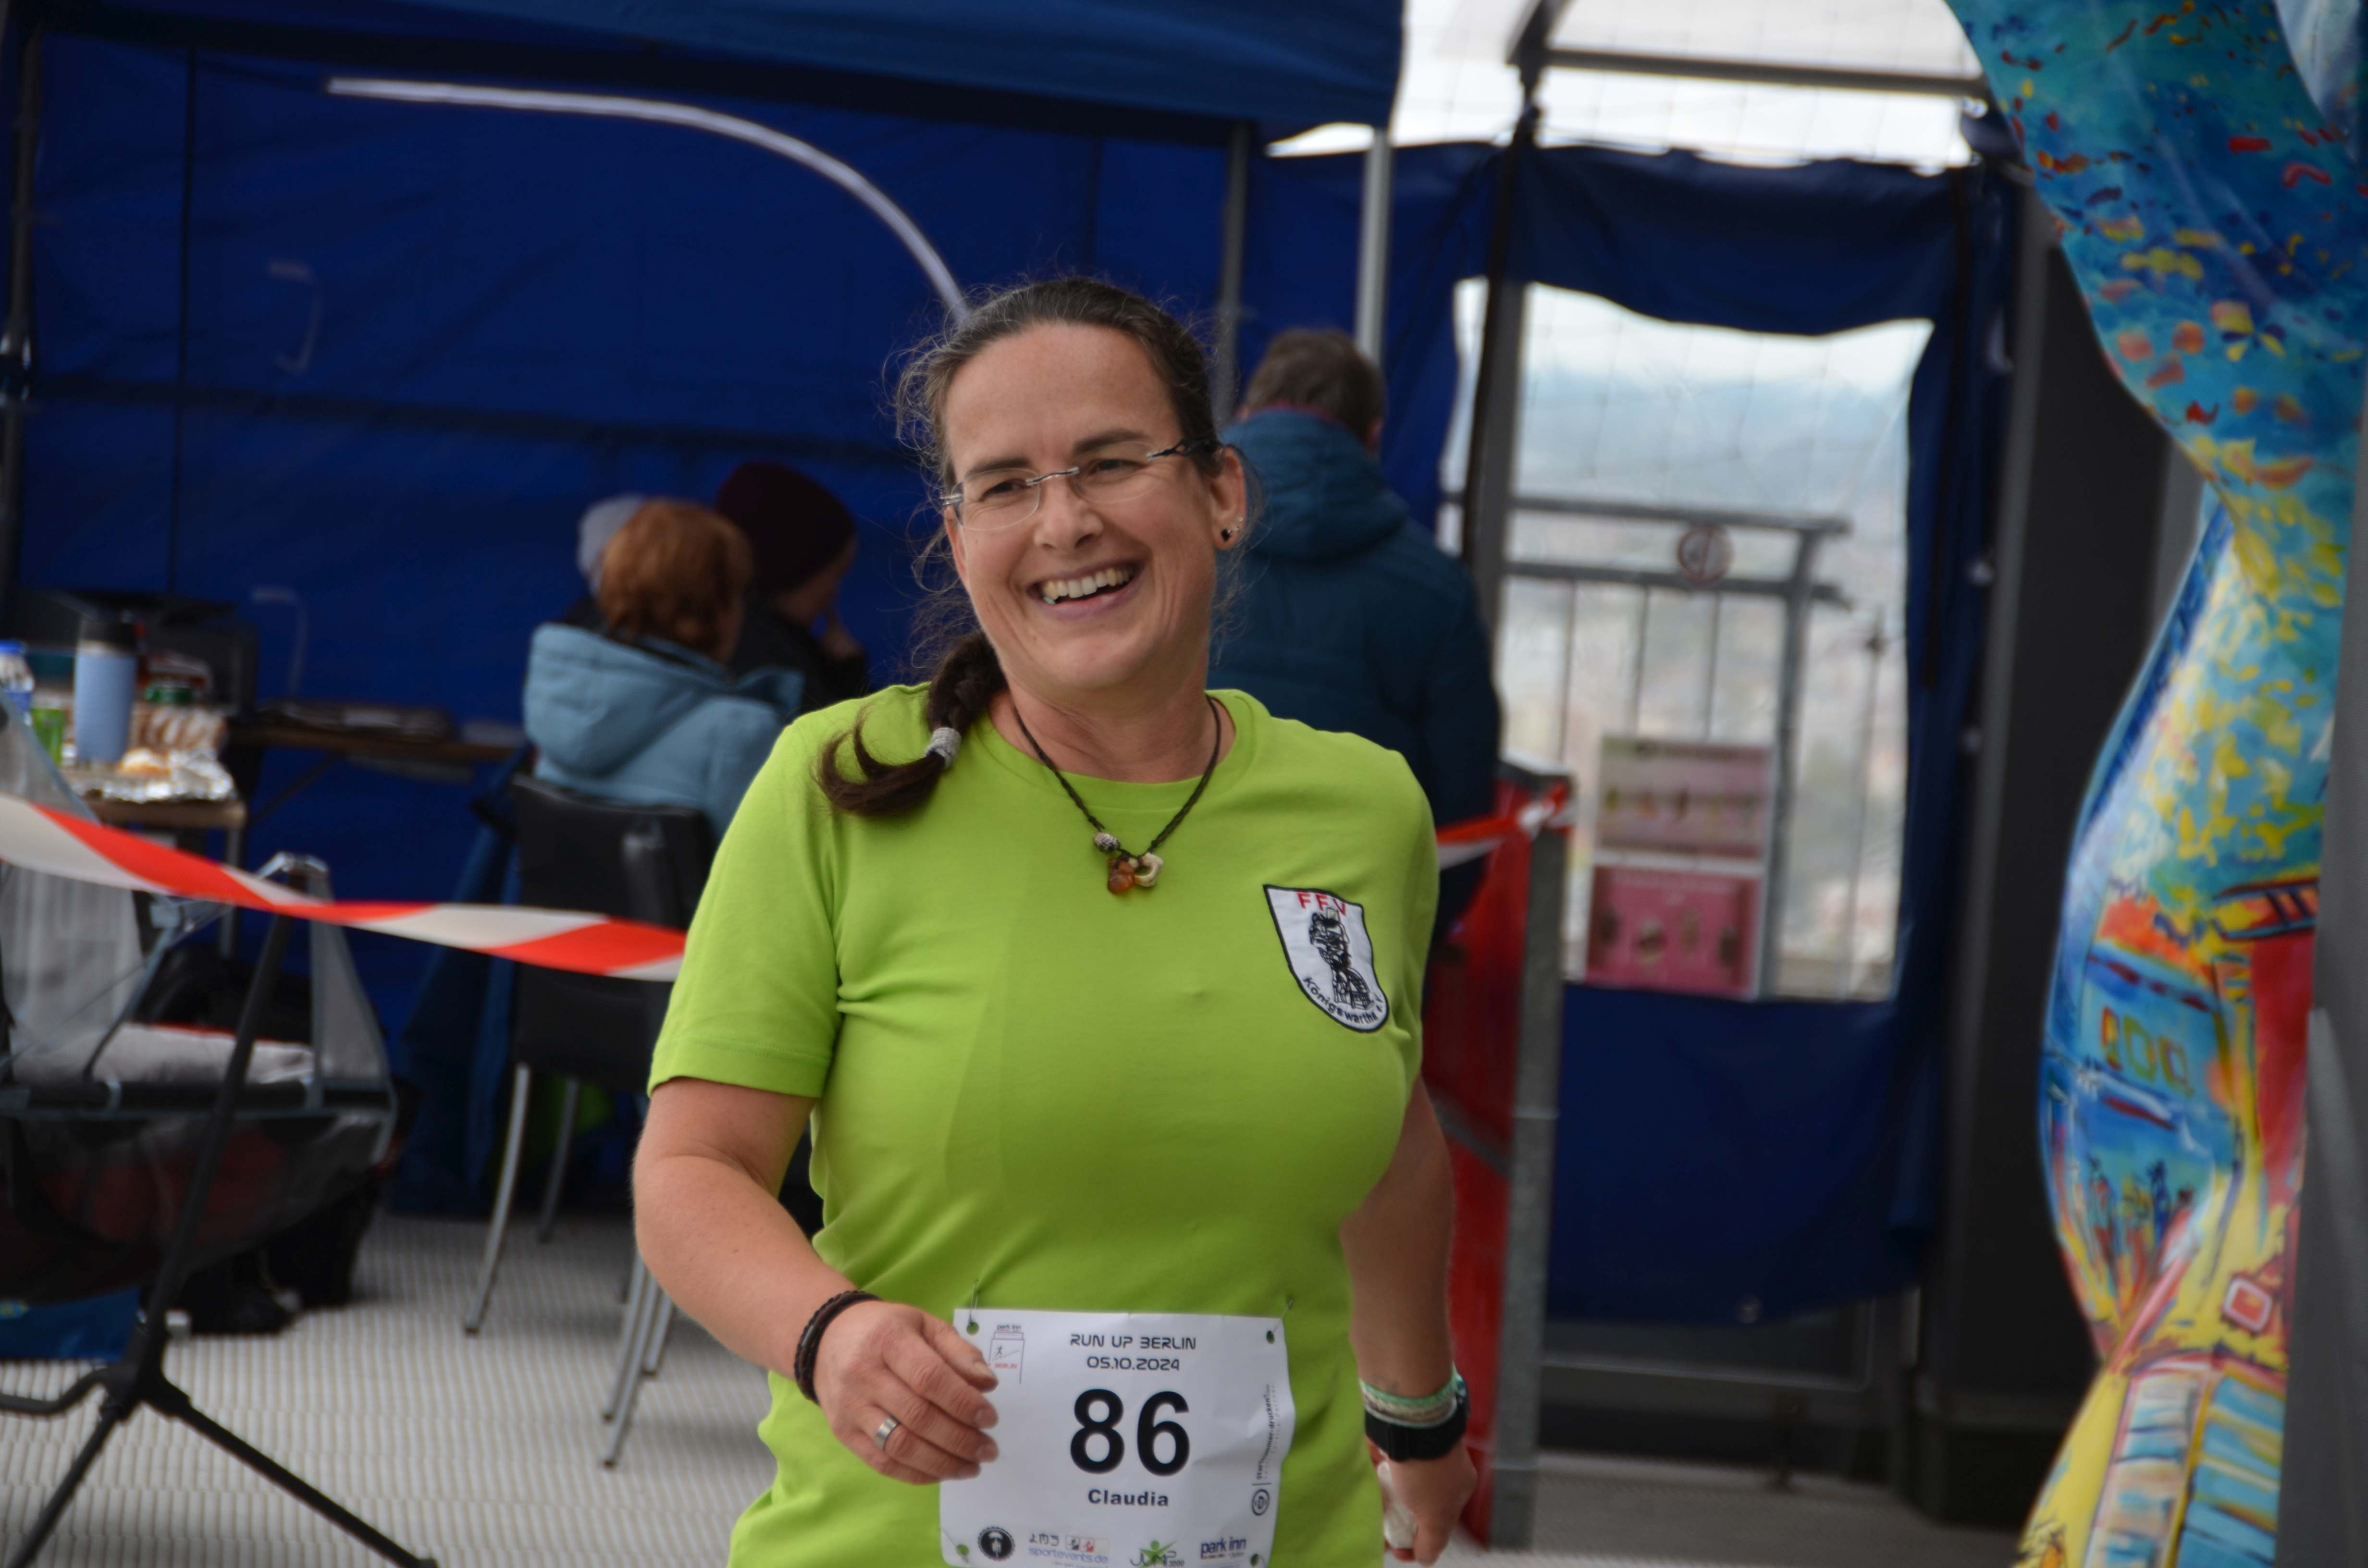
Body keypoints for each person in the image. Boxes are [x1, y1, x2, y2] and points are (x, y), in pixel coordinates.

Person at [634, 278, 1475, 1566]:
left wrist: (1417, 1418)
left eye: (1110, 461)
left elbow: (1390, 1147)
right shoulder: (838, 783)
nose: (1064, 521)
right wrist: (829, 1333)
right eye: (1006, 485)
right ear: (958, 533)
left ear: (1223, 491)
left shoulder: (1365, 812)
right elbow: (693, 1170)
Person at [1211, 328, 1502, 934]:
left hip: (1181, 889)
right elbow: (1462, 802)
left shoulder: (1169, 542)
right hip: (1356, 920)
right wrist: (1417, 930)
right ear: (1372, 436)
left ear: (1246, 414)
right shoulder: (1437, 587)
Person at [524, 499, 803, 838]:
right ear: (719, 605)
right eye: (738, 593)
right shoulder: (742, 732)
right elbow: (774, 865)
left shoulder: (555, 700)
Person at [713, 460, 874, 710]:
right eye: (835, 574)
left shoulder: (717, 632)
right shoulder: (773, 667)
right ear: (795, 567)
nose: (834, 594)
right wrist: (849, 681)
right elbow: (838, 734)